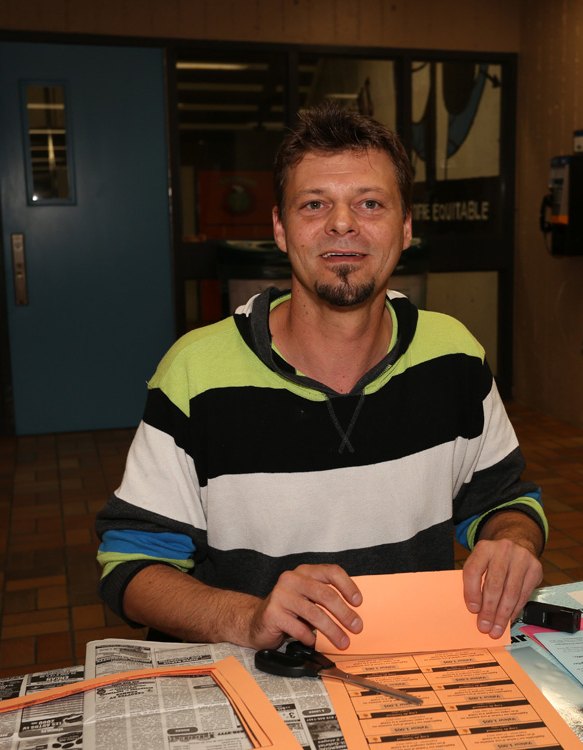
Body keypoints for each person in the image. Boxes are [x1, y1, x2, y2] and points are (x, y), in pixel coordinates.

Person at [95, 101, 546, 652]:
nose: (342, 224)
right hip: (257, 682)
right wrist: (251, 617)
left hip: (407, 671)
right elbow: (132, 567)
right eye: (315, 204)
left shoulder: (454, 356)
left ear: (405, 229)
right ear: (281, 231)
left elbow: (503, 503)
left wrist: (513, 542)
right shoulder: (195, 371)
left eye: (370, 203)